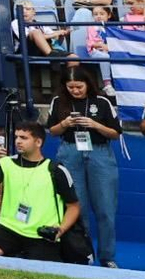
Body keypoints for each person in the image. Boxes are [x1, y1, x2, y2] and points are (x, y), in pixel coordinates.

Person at [0, 120, 83, 262]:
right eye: (17, 137)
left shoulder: (56, 170)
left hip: (40, 233)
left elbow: (73, 206)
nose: (18, 141)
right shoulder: (6, 163)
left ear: (38, 142)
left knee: (42, 273)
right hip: (10, 227)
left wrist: (60, 230)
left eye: (24, 138)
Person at [47, 67, 121, 267]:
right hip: (71, 150)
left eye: (79, 86)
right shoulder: (58, 101)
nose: (75, 91)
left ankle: (107, 257)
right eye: (71, 87)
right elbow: (52, 131)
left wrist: (95, 125)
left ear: (88, 83)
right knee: (77, 206)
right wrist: (65, 123)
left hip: (99, 151)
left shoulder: (102, 101)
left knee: (106, 207)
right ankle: (83, 254)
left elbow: (115, 133)